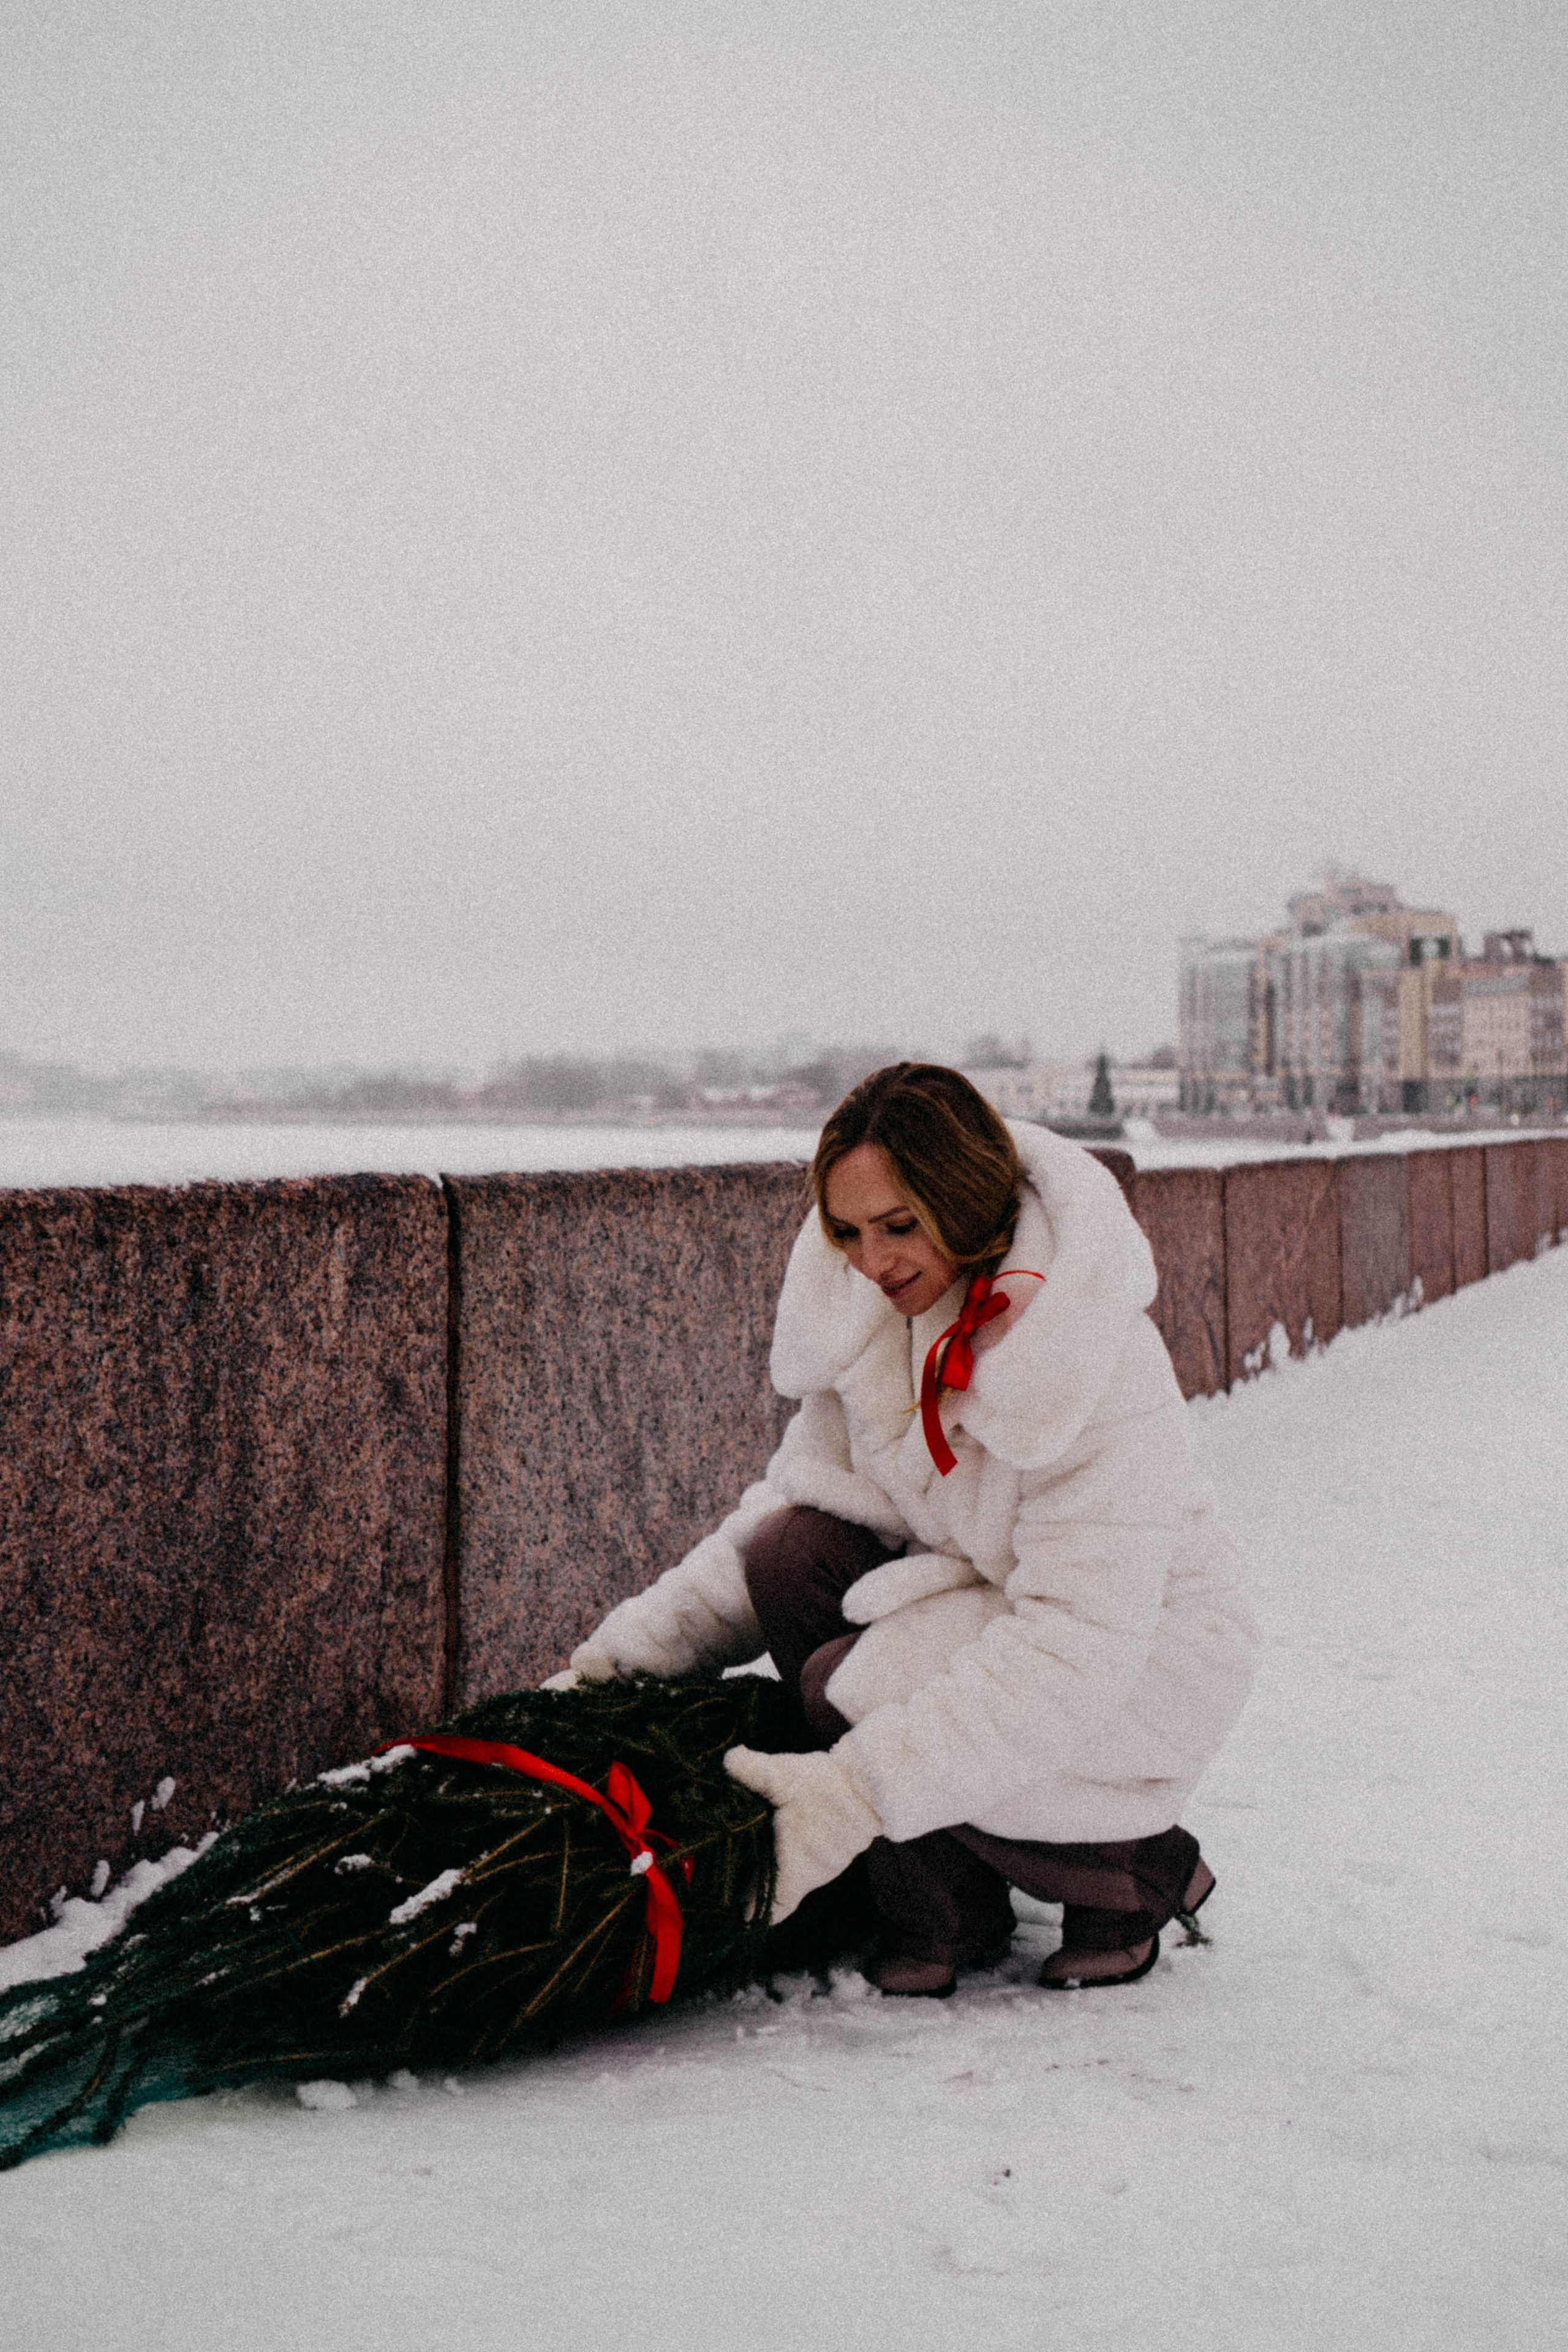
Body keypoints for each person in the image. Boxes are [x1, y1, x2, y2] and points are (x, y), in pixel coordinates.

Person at [560, 1063, 1257, 1996]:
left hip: (1145, 1651)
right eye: (847, 1232)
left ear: (961, 1199)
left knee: (847, 1683)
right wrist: (615, 1668)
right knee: (790, 1554)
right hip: (992, 1599)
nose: (872, 1262)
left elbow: (1077, 1641)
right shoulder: (883, 1319)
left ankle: (1134, 1870)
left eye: (898, 1226)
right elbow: (781, 1508)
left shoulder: (1091, 1354)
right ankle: (947, 1908)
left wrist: (849, 1794)